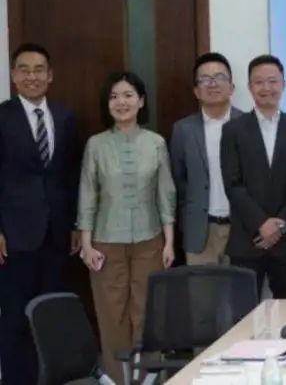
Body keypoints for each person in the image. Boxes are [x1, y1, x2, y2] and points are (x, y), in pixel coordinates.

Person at [77, 71, 175, 382]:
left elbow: (165, 194)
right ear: (107, 104)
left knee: (147, 312)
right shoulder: (96, 144)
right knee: (112, 313)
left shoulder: (156, 143)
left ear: (141, 101)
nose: (122, 102)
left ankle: (148, 377)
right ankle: (116, 378)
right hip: (105, 242)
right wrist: (86, 244)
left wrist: (169, 242)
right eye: (114, 96)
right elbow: (88, 195)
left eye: (128, 95)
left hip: (150, 240)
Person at [0, 43, 79, 385]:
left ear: (50, 75)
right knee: (15, 320)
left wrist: (75, 224)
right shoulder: (2, 116)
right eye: (24, 69)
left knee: (53, 317)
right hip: (14, 236)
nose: (31, 76)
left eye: (38, 70)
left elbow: (71, 174)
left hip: (57, 235)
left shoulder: (65, 116)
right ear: (14, 75)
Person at [221, 55, 286, 297]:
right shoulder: (233, 130)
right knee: (243, 312)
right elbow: (233, 184)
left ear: (283, 84)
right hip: (247, 240)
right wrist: (261, 224)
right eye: (259, 82)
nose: (266, 88)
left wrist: (280, 225)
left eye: (272, 81)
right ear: (250, 87)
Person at [170, 52, 243, 265]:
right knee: (202, 287)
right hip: (200, 231)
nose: (212, 84)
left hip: (241, 230)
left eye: (220, 77)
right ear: (196, 91)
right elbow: (178, 180)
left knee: (242, 287)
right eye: (204, 79)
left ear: (231, 87)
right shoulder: (183, 130)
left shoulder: (248, 124)